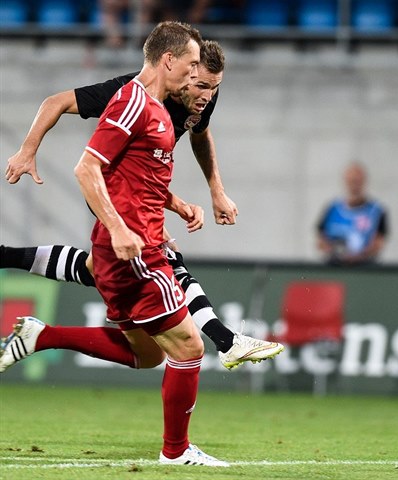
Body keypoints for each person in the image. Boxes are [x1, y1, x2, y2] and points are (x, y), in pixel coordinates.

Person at [6, 21, 229, 467]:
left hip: (128, 233)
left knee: (145, 354)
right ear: (170, 61)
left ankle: (41, 335)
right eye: (191, 71)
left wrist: (180, 203)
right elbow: (87, 168)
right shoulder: (130, 99)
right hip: (132, 240)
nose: (197, 85)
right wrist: (121, 226)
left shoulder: (172, 107)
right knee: (188, 347)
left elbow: (145, 170)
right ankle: (177, 449)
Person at [2, 39, 283, 370]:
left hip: (140, 190)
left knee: (143, 346)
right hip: (109, 191)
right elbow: (57, 102)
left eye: (214, 87)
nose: (207, 96)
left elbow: (199, 134)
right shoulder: (132, 95)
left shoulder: (201, 96)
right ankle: (226, 340)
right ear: (180, 69)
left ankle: (30, 316)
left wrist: (215, 190)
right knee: (164, 254)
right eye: (201, 84)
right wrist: (27, 149)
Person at [316, 162, 388, 266]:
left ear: (364, 181)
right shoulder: (332, 209)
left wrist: (359, 257)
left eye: (357, 181)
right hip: (335, 265)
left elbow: (379, 243)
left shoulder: (376, 211)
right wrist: (336, 253)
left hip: (365, 266)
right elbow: (321, 240)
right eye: (351, 181)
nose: (354, 185)